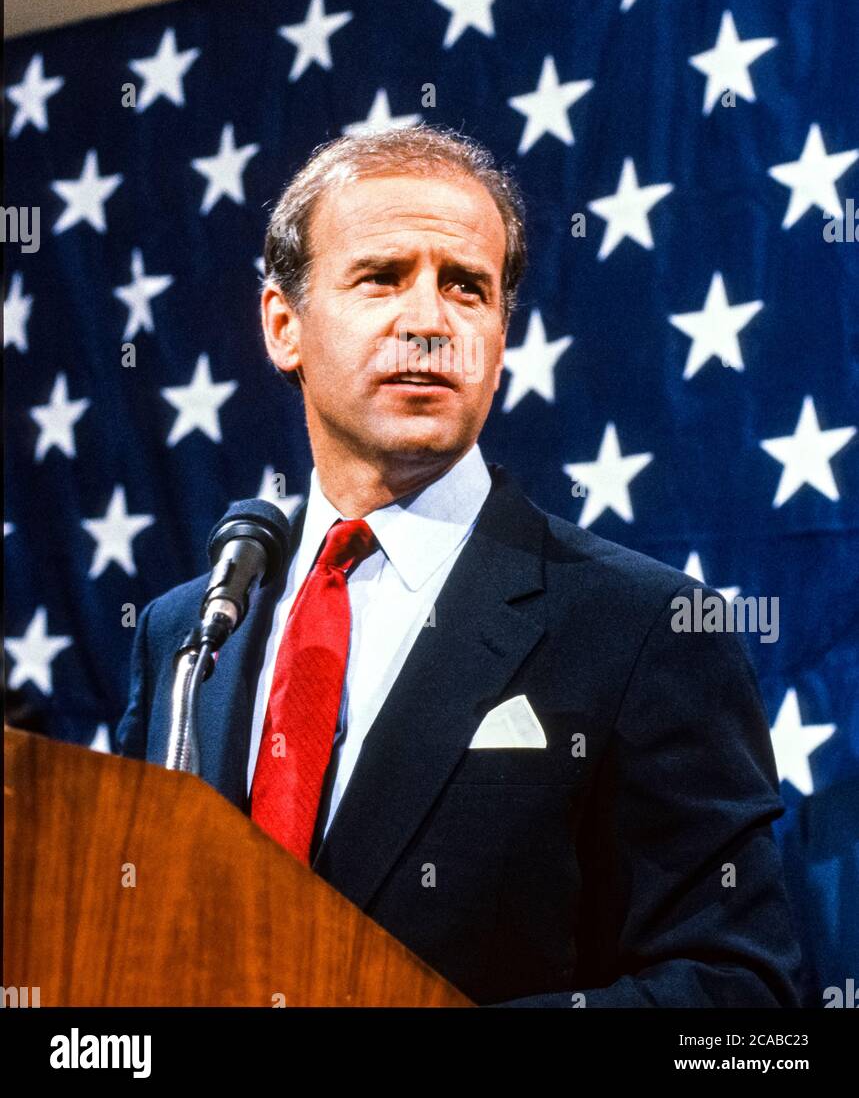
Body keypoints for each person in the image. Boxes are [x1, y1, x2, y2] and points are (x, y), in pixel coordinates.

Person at [117, 125, 803, 1007]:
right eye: (381, 277)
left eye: (466, 288)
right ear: (283, 325)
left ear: (500, 338)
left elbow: (741, 1000)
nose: (429, 321)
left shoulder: (641, 628)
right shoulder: (188, 630)